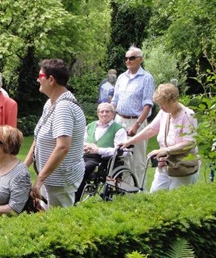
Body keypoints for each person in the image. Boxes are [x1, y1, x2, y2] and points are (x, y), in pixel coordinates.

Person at [25, 59, 85, 209]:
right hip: (49, 178)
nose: (38, 79)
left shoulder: (64, 107)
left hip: (60, 180)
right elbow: (38, 138)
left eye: (40, 76)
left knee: (60, 225)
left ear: (51, 79)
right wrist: (23, 167)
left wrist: (40, 179)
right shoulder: (51, 103)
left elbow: (63, 147)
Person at [121, 83, 199, 192]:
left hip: (182, 165)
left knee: (176, 198)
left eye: (163, 104)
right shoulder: (164, 112)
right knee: (155, 193)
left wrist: (165, 150)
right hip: (164, 163)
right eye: (159, 105)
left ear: (173, 100)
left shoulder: (188, 115)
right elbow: (151, 129)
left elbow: (190, 142)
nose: (161, 107)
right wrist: (129, 142)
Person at [112, 46, 155, 188]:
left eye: (131, 58)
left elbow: (148, 104)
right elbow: (115, 100)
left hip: (136, 120)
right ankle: (123, 188)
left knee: (137, 158)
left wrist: (137, 125)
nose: (128, 61)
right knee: (120, 156)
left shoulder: (146, 78)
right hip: (119, 120)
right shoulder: (121, 77)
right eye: (126, 58)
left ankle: (138, 190)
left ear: (140, 59)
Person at [74, 103, 127, 202]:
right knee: (70, 165)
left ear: (113, 114)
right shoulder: (90, 126)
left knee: (82, 168)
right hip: (86, 155)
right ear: (98, 114)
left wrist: (98, 150)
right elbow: (81, 141)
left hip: (104, 159)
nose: (104, 114)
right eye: (101, 111)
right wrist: (85, 147)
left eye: (107, 111)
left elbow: (121, 151)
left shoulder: (118, 129)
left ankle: (75, 200)